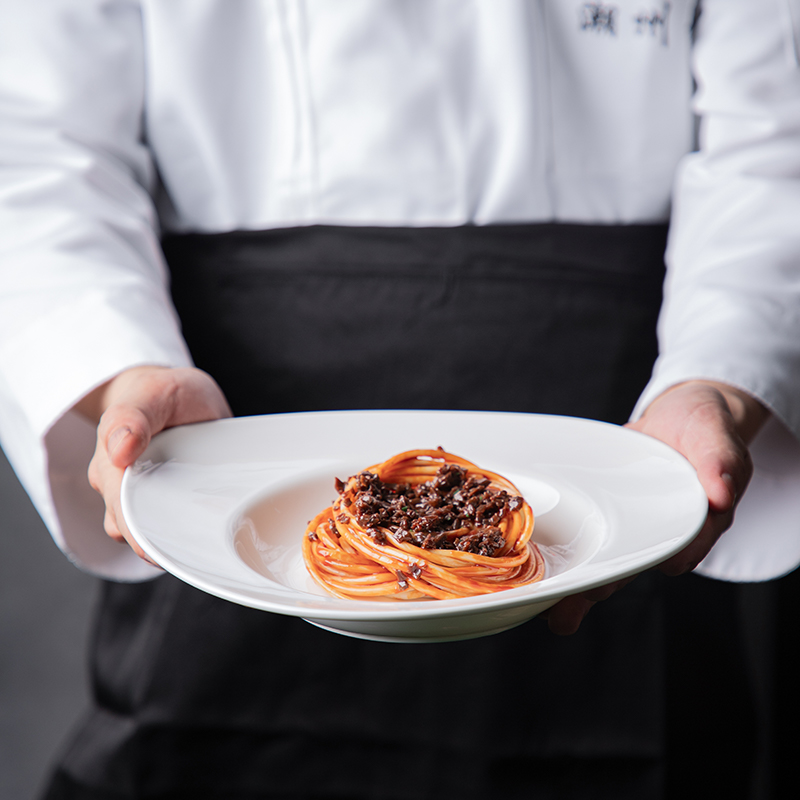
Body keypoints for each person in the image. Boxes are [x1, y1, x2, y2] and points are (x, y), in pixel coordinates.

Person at [1, 1, 799, 797]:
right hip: (224, 457)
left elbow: (773, 146)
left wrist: (720, 374)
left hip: (621, 447)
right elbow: (36, 149)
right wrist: (116, 368)